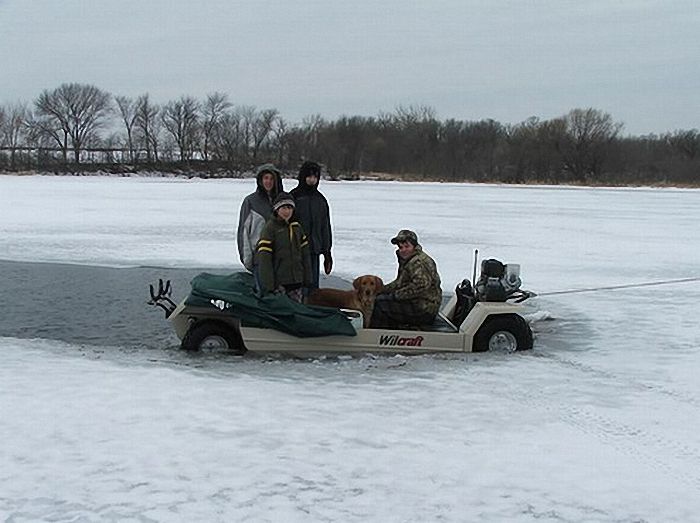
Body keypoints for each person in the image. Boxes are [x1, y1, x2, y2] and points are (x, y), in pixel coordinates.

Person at [371, 229, 442, 329]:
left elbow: (420, 286)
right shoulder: (408, 260)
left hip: (424, 309)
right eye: (401, 247)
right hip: (416, 303)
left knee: (381, 304)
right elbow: (399, 283)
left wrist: (395, 296)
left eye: (407, 246)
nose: (403, 250)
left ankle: (377, 336)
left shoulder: (418, 262)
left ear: (414, 246)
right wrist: (381, 290)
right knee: (380, 298)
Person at [256, 192, 312, 303]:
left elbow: (305, 255)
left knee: (296, 312)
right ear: (277, 209)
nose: (287, 211)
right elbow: (264, 259)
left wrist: (307, 278)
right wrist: (269, 284)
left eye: (290, 208)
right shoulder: (270, 229)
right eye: (284, 208)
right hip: (279, 282)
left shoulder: (297, 228)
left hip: (296, 282)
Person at [290, 160, 333, 291]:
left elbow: (325, 227)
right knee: (297, 287)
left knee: (313, 289)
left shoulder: (320, 200)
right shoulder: (294, 196)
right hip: (296, 251)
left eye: (315, 177)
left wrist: (327, 252)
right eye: (309, 176)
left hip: (314, 251)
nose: (312, 180)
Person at [237, 164, 284, 273]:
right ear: (260, 180)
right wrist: (247, 259)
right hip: (260, 257)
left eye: (272, 179)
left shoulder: (283, 201)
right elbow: (244, 232)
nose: (269, 182)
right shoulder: (250, 201)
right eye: (266, 178)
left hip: (281, 258)